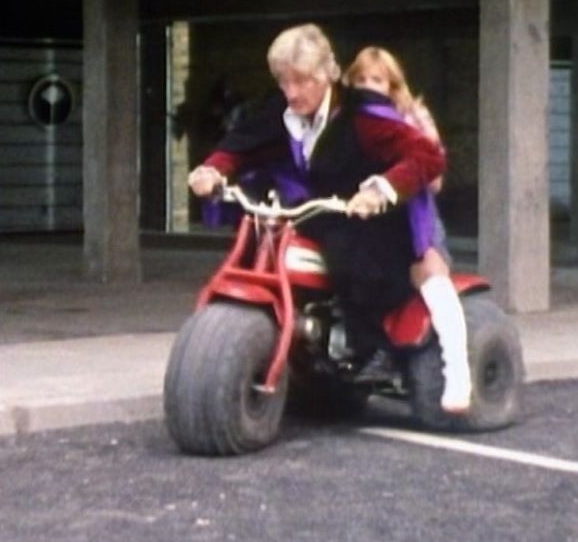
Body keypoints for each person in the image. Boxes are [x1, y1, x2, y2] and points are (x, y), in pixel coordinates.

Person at [187, 24, 468, 412]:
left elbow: (426, 156)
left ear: (328, 74)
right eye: (284, 81)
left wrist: (381, 190)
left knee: (362, 261)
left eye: (301, 81)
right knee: (266, 237)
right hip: (320, 211)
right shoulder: (280, 112)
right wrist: (212, 170)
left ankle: (380, 348)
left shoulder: (363, 114)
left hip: (375, 215)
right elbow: (240, 146)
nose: (292, 92)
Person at [343, 46, 471, 412]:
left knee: (434, 283)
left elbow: (435, 180)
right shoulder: (345, 122)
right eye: (361, 79)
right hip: (365, 225)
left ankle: (459, 375)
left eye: (377, 79)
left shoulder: (412, 117)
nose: (368, 86)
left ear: (393, 85)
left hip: (414, 220)